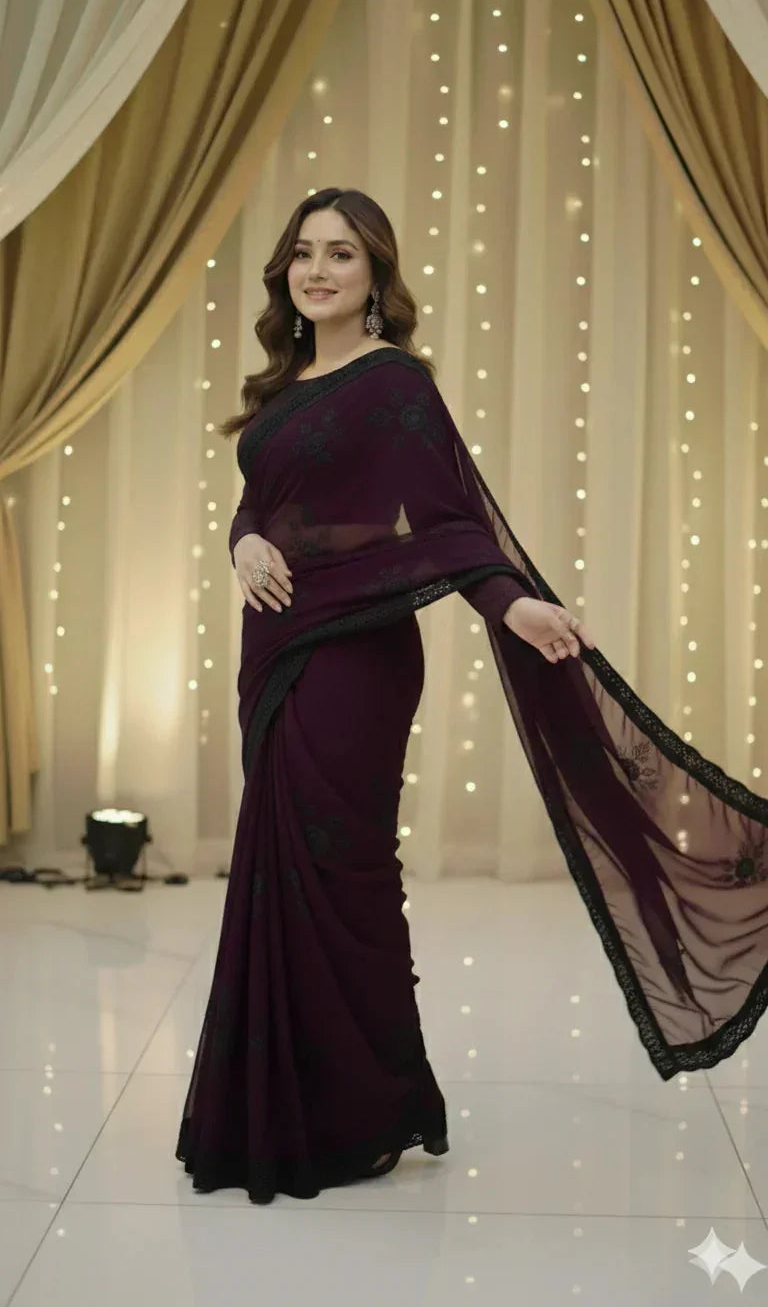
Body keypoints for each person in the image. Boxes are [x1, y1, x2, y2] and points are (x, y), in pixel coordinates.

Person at [176, 187, 768, 1206]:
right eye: (304, 255)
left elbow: (450, 522)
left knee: (343, 869)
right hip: (272, 652)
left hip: (356, 660)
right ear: (285, 272)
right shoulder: (284, 389)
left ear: (376, 276)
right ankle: (282, 1101)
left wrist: (513, 605)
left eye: (343, 256)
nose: (318, 271)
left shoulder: (394, 383)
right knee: (281, 867)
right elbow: (256, 507)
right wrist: (244, 543)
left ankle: (359, 1111)